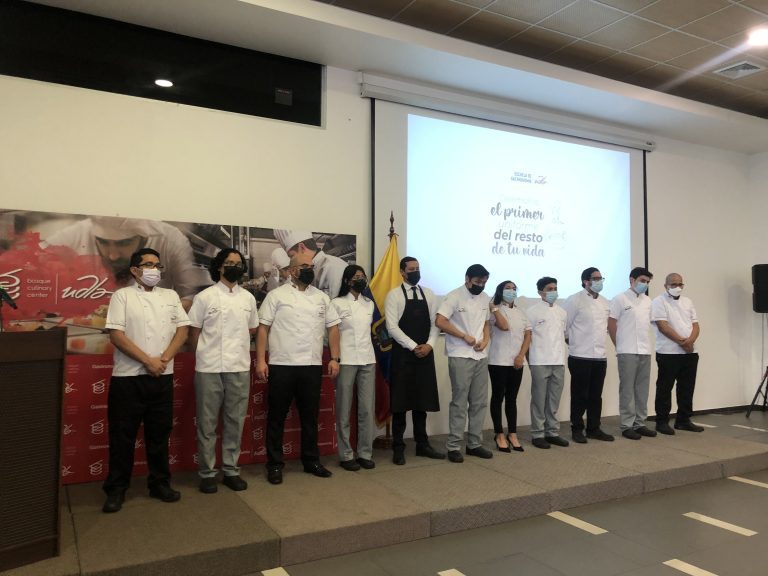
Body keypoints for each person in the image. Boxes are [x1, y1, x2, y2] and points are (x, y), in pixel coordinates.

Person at [101, 248, 190, 513]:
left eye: (157, 265)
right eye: (148, 265)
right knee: (122, 437)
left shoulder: (170, 296)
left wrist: (163, 358)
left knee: (159, 435)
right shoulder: (122, 296)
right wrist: (147, 361)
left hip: (162, 376)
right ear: (135, 270)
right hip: (128, 379)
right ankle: (116, 489)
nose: (154, 270)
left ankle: (160, 483)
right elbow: (116, 335)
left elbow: (182, 331)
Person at [255, 251, 341, 485]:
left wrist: (335, 358)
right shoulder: (276, 295)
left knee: (310, 416)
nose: (309, 270)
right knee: (277, 417)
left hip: (311, 365)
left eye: (312, 266)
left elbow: (333, 328)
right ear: (292, 271)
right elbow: (263, 328)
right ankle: (275, 464)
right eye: (305, 266)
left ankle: (311, 460)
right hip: (282, 364)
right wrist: (261, 360)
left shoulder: (321, 297)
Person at [187, 248, 259, 494]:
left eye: (238, 263)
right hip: (209, 368)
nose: (234, 267)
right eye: (229, 262)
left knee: (235, 421)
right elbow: (194, 332)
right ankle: (207, 473)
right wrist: (203, 354)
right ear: (219, 266)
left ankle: (231, 470)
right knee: (207, 423)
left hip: (239, 366)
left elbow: (251, 329)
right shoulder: (204, 297)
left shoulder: (248, 299)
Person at [42, 215, 211, 309]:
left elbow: (194, 296)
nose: (113, 255)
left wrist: (158, 313)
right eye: (103, 242)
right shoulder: (78, 232)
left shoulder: (171, 240)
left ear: (143, 237)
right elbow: (35, 259)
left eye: (124, 243)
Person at [384, 256, 444, 465]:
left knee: (422, 402)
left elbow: (436, 323)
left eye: (417, 268)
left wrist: (429, 345)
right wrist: (413, 346)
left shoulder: (429, 294)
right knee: (400, 403)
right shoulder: (394, 295)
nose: (415, 272)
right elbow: (392, 327)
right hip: (403, 356)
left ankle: (422, 445)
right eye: (411, 269)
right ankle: (398, 447)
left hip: (425, 354)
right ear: (402, 272)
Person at [436, 264, 493, 463]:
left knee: (479, 402)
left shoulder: (485, 298)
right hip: (460, 354)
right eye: (478, 282)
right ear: (467, 279)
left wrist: (486, 340)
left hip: (480, 355)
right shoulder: (453, 296)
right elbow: (440, 321)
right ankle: (453, 446)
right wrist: (463, 336)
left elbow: (486, 323)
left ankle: (474, 444)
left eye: (484, 282)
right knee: (460, 402)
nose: (481, 285)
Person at [331, 265, 377, 471]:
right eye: (357, 277)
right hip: (346, 359)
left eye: (363, 276)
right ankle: (346, 454)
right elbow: (331, 334)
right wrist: (335, 357)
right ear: (347, 281)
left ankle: (365, 453)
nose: (361, 280)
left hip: (367, 359)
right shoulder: (337, 303)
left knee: (366, 409)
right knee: (344, 409)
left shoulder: (369, 304)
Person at [562, 267, 614, 443]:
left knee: (595, 396)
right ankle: (577, 428)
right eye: (595, 278)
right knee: (579, 395)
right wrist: (573, 342)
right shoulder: (574, 300)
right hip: (580, 356)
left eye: (601, 278)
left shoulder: (605, 302)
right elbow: (565, 326)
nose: (599, 281)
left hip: (600, 356)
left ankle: (594, 428)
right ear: (586, 281)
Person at [608, 267, 656, 440]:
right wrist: (618, 345)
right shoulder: (619, 299)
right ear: (632, 280)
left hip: (645, 350)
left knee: (642, 389)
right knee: (627, 389)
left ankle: (640, 423)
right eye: (642, 280)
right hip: (626, 350)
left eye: (647, 282)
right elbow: (611, 323)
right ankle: (627, 425)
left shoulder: (648, 301)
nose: (645, 284)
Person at [652, 273, 703, 434]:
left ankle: (683, 420)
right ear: (665, 286)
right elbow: (663, 326)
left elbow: (696, 325)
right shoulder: (658, 301)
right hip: (668, 352)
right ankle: (662, 421)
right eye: (673, 284)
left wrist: (690, 342)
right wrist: (683, 343)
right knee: (664, 388)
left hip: (690, 353)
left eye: (680, 284)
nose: (677, 287)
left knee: (687, 387)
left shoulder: (688, 301)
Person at [487, 280, 531, 452]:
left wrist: (521, 356)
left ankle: (512, 433)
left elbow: (528, 335)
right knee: (498, 397)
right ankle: (499, 434)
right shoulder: (494, 310)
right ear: (500, 291)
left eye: (514, 288)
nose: (511, 291)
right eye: (507, 288)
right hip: (498, 361)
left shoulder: (521, 312)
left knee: (512, 398)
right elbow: (504, 326)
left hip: (517, 361)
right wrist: (494, 308)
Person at [526, 276, 569, 449]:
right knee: (538, 399)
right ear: (540, 292)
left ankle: (552, 432)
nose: (553, 292)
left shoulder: (562, 312)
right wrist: (529, 361)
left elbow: (563, 336)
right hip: (539, 360)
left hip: (558, 361)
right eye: (549, 289)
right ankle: (537, 434)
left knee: (554, 399)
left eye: (555, 289)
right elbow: (527, 338)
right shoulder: (531, 312)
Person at [273, 229, 348, 299]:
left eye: (292, 256)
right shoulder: (309, 271)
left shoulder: (334, 267)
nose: (292, 261)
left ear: (302, 248)